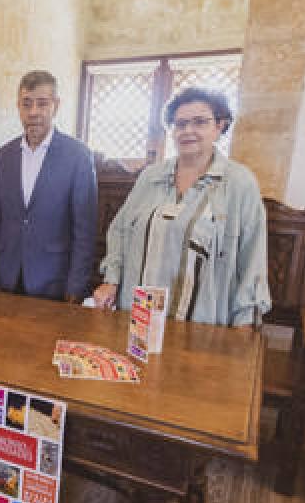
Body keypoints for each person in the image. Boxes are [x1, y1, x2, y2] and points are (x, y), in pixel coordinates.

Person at [93, 87, 271, 325]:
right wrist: (111, 279)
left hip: (201, 320)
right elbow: (121, 230)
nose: (188, 131)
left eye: (200, 122)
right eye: (180, 124)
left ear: (220, 126)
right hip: (138, 316)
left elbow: (252, 257)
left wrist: (245, 319)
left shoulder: (239, 182)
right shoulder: (151, 176)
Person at [0, 70, 97, 302]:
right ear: (18, 107)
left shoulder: (78, 156)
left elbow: (84, 231)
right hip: (6, 279)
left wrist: (76, 288)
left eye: (42, 103)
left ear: (56, 105)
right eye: (27, 104)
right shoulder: (2, 157)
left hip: (54, 282)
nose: (33, 112)